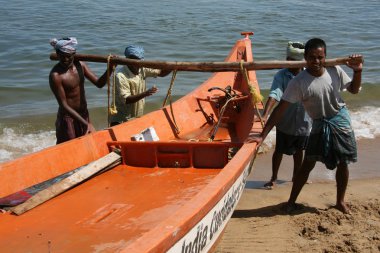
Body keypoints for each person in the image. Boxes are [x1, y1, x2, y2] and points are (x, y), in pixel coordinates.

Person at [249, 38, 363, 213]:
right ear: (305, 57)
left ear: (325, 56)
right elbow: (280, 109)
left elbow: (354, 90)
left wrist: (357, 71)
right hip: (318, 123)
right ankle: (291, 201)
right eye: (312, 57)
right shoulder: (299, 82)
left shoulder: (335, 70)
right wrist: (262, 135)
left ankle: (340, 201)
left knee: (343, 162)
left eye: (320, 57)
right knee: (308, 163)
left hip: (340, 119)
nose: (316, 61)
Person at [261, 42, 312, 189]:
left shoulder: (309, 74)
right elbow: (274, 94)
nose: (289, 62)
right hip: (285, 121)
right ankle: (273, 178)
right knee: (279, 150)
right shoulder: (281, 75)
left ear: (301, 61)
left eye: (293, 60)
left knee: (299, 151)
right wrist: (266, 114)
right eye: (288, 59)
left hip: (304, 121)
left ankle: (297, 176)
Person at [49, 37, 114, 144]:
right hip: (68, 118)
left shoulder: (81, 66)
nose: (66, 60)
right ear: (57, 54)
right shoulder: (56, 76)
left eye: (68, 56)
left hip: (83, 114)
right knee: (69, 148)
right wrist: (86, 124)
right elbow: (63, 105)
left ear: (74, 54)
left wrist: (110, 68)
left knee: (86, 144)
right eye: (62, 56)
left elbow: (99, 84)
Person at [109, 45, 171, 126]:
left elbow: (161, 73)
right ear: (128, 60)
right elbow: (126, 100)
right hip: (120, 120)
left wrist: (172, 67)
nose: (137, 64)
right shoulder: (120, 76)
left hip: (135, 117)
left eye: (139, 61)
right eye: (134, 61)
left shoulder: (142, 69)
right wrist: (146, 93)